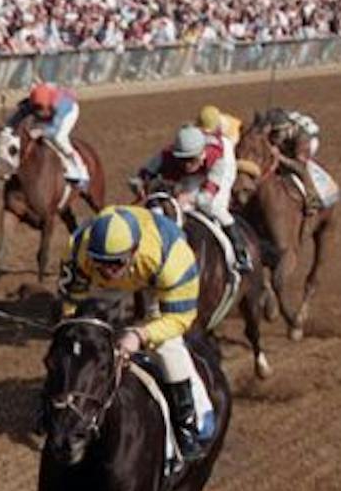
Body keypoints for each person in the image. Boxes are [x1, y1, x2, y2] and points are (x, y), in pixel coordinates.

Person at [63, 205, 215, 466]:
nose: (108, 269)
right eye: (100, 262)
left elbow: (180, 319)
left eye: (115, 263)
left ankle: (186, 422)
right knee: (79, 341)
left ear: (133, 251)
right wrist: (72, 327)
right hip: (110, 288)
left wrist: (139, 335)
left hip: (156, 279)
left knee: (167, 346)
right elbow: (71, 302)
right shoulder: (78, 248)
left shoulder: (175, 259)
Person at [136, 123, 248, 281]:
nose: (187, 165)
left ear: (201, 154)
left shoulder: (218, 157)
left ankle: (241, 252)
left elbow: (207, 196)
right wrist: (140, 184)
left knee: (214, 207)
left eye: (191, 160)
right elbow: (141, 175)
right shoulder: (167, 155)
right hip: (197, 168)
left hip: (216, 169)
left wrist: (189, 198)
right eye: (182, 160)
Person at [3, 81, 86, 186]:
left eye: (40, 108)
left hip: (68, 112)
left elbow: (55, 128)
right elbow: (17, 117)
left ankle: (80, 170)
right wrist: (7, 129)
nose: (38, 112)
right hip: (50, 110)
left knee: (59, 138)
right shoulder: (34, 102)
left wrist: (41, 131)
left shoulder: (61, 105)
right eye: (36, 108)